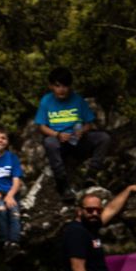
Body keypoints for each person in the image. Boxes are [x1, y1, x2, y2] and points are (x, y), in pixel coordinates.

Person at [59, 184, 136, 271]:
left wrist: (128, 190)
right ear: (79, 211)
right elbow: (77, 268)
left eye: (98, 210)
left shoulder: (90, 227)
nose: (95, 214)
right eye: (90, 210)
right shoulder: (76, 232)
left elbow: (111, 209)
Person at [33, 68, 112, 198]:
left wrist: (82, 131)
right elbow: (41, 127)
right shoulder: (46, 101)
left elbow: (89, 123)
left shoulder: (78, 100)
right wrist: (57, 135)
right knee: (49, 142)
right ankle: (62, 183)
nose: (61, 89)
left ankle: (91, 175)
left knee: (103, 138)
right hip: (59, 140)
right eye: (58, 86)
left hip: (78, 140)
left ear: (70, 86)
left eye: (65, 86)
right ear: (51, 86)